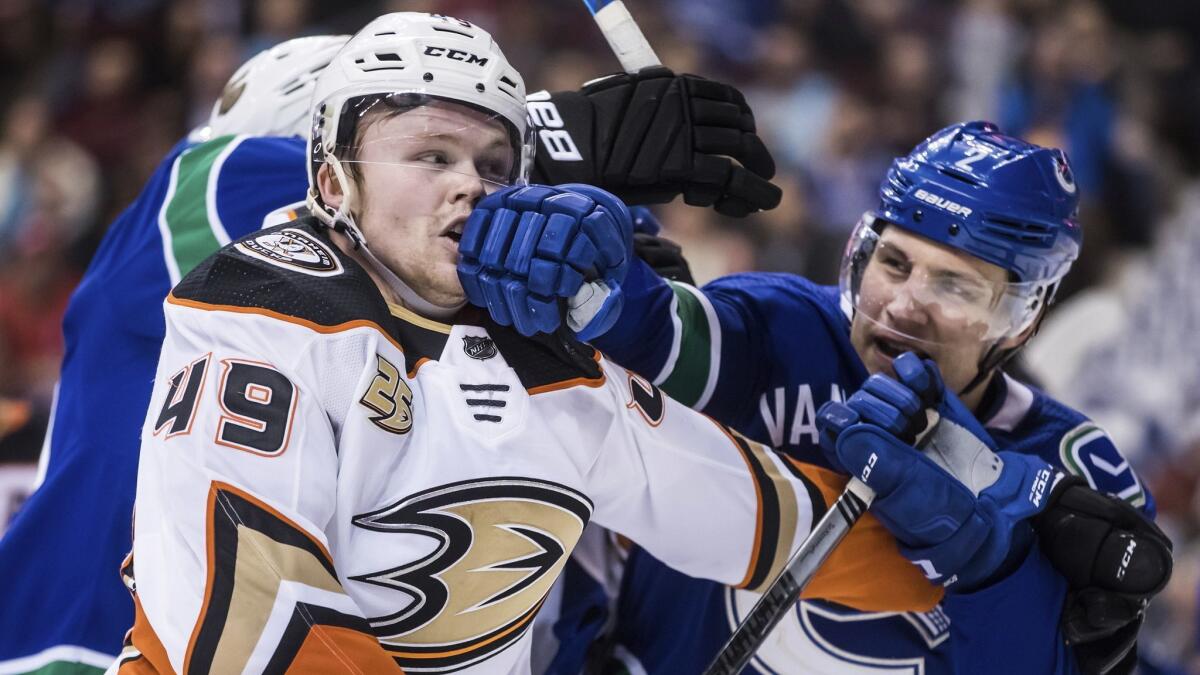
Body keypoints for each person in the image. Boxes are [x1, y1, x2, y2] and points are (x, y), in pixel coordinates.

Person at [117, 12, 879, 674]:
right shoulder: (261, 308)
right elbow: (250, 623)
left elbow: (763, 518)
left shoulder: (544, 359)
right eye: (431, 156)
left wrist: (950, 542)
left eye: (493, 165)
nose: (470, 187)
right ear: (330, 183)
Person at [459, 121, 1173, 674]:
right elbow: (666, 333)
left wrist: (987, 556)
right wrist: (597, 274)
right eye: (893, 262)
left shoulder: (1073, 470)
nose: (904, 304)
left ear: (1020, 321)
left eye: (954, 286)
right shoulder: (784, 327)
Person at [0, 35, 349, 675]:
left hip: (168, 602)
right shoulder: (213, 173)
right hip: (87, 614)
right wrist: (571, 137)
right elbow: (386, 183)